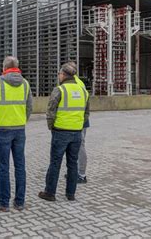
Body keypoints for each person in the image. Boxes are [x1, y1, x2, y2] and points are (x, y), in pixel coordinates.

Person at [38, 63, 89, 202]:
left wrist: (51, 127)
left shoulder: (60, 89)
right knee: (72, 164)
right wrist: (78, 124)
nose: (58, 76)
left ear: (63, 75)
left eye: (59, 74)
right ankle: (70, 194)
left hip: (60, 132)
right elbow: (86, 113)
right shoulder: (83, 91)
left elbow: (50, 111)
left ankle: (50, 192)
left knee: (55, 162)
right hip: (76, 133)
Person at [0, 56, 32, 212]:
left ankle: (3, 203)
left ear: (4, 68)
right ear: (17, 67)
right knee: (20, 166)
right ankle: (20, 202)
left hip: (2, 130)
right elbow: (29, 108)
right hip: (20, 130)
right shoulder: (25, 84)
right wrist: (21, 121)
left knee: (3, 167)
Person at [69, 62, 89, 184]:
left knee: (80, 146)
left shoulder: (76, 84)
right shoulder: (77, 83)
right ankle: (75, 172)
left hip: (78, 120)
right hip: (78, 119)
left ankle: (81, 174)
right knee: (75, 147)